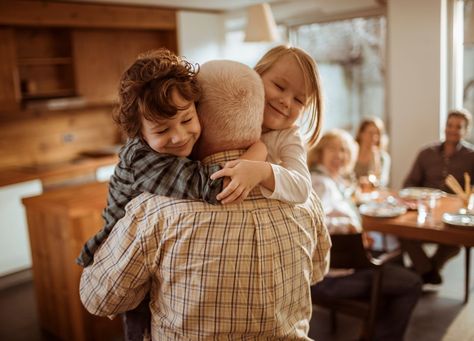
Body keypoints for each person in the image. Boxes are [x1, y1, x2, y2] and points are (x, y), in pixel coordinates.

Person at [79, 59, 331, 340]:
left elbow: (99, 300)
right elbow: (318, 271)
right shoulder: (307, 202)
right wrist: (257, 154)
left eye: (187, 119)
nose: (179, 135)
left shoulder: (155, 212)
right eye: (163, 129)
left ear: (199, 111)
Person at [308, 129, 422, 341]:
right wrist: (350, 227)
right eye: (333, 149)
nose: (339, 155)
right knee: (412, 283)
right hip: (332, 277)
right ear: (321, 152)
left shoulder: (335, 182)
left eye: (344, 150)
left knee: (396, 271)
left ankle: (372, 331)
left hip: (340, 268)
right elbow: (314, 221)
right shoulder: (321, 183)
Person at [211, 45, 323, 207]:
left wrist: (262, 172)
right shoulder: (231, 109)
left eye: (298, 100)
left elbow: (302, 188)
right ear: (256, 75)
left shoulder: (287, 136)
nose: (286, 101)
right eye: (279, 86)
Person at [402, 108, 474, 284]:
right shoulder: (426, 153)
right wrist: (419, 199)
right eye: (450, 125)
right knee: (402, 234)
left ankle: (427, 270)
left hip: (454, 216)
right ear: (445, 126)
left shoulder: (471, 157)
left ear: (466, 131)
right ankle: (428, 271)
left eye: (458, 127)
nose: (453, 130)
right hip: (425, 212)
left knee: (454, 243)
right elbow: (409, 184)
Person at [354, 117, 391, 188]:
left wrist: (375, 159)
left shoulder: (383, 157)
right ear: (361, 134)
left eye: (377, 134)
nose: (374, 137)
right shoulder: (351, 153)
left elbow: (382, 182)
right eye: (370, 133)